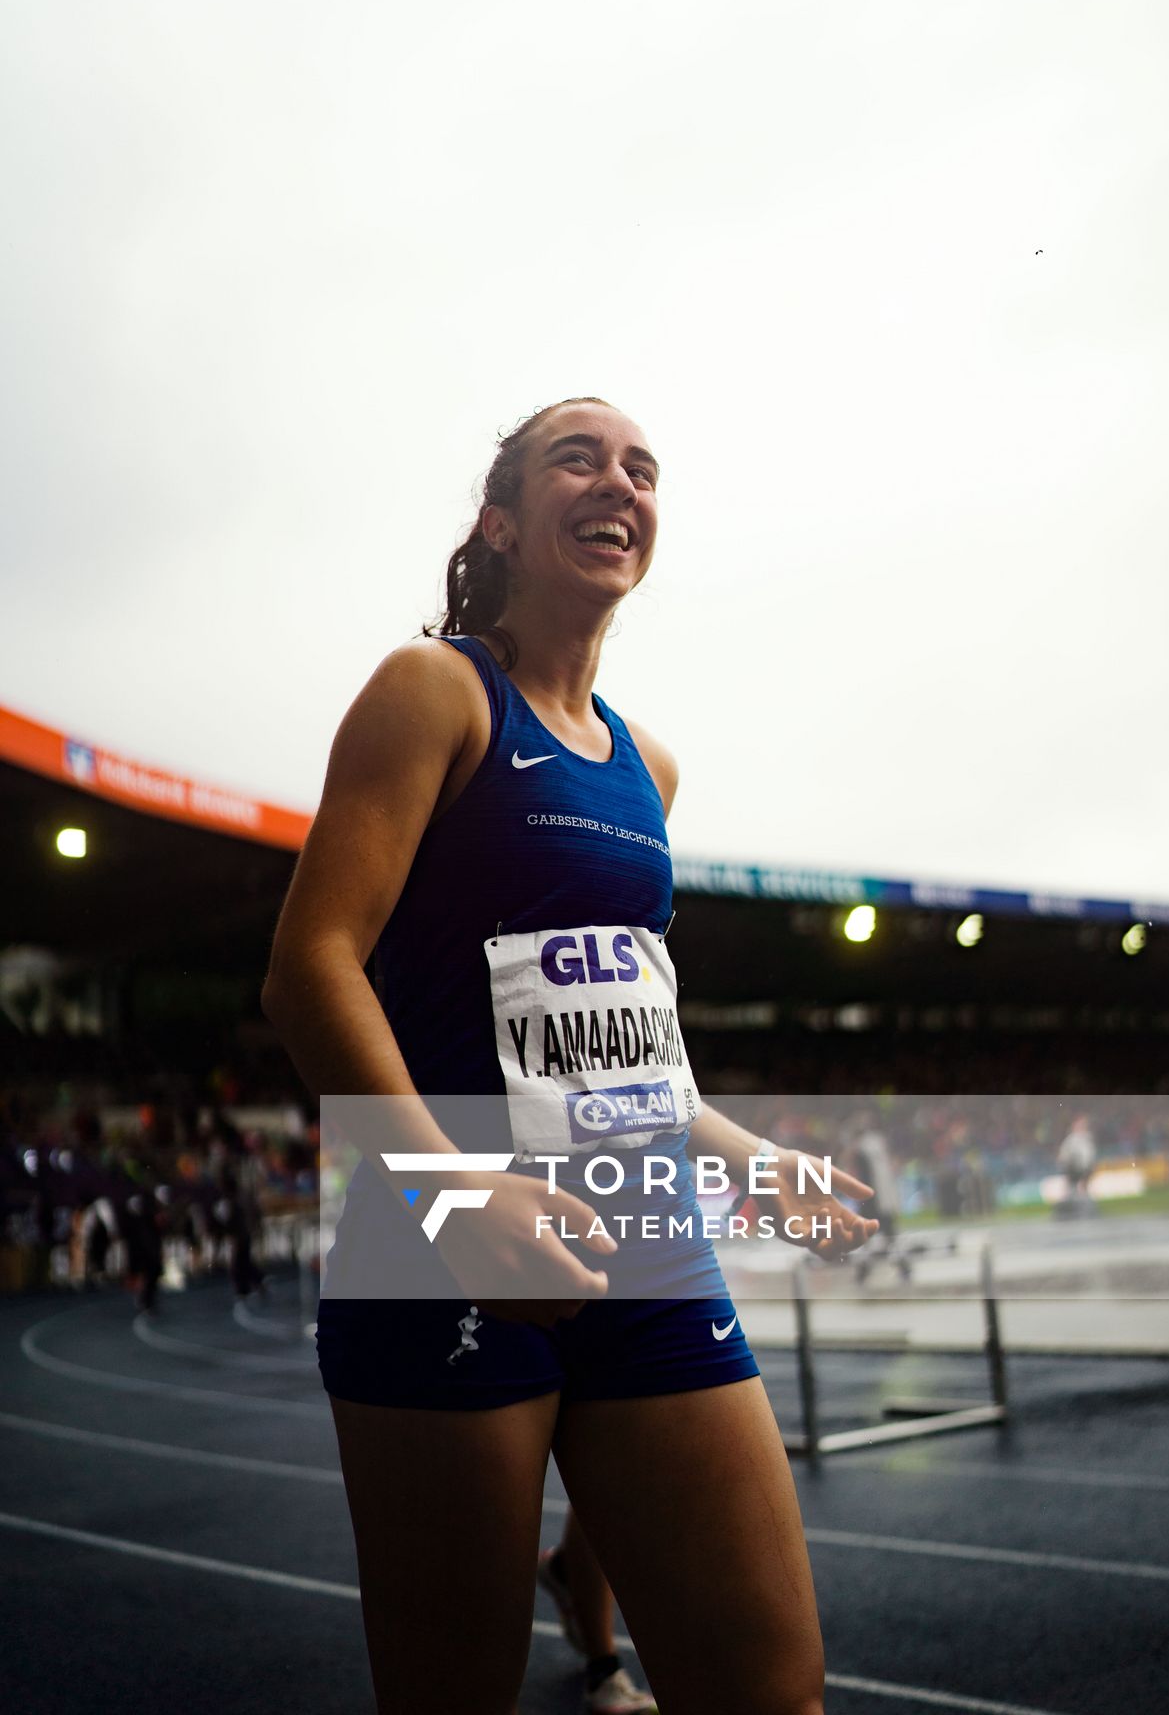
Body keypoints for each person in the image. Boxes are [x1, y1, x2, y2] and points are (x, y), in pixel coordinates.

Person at [262, 397, 878, 1715]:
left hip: (643, 1240)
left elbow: (631, 1055)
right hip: (436, 1249)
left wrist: (751, 1158)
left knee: (774, 1687)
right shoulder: (434, 690)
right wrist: (447, 1194)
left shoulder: (648, 768)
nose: (620, 482)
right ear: (501, 518)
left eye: (643, 468)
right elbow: (310, 966)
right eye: (579, 458)